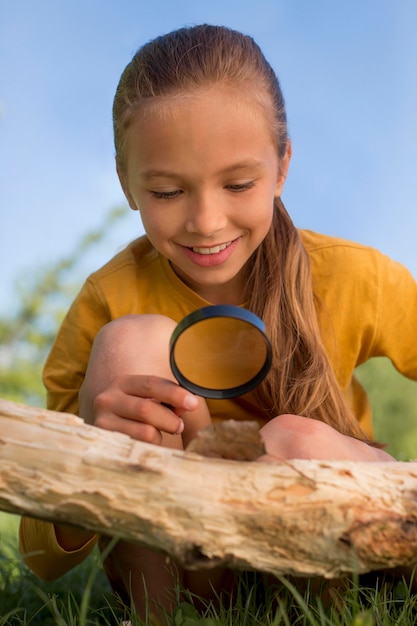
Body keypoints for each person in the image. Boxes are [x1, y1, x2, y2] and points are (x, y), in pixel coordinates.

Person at [19, 24, 417, 619]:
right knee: (130, 343)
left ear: (282, 167)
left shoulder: (353, 276)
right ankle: (163, 618)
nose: (206, 222)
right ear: (128, 183)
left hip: (330, 553)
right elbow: (43, 557)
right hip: (192, 573)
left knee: (295, 437)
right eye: (167, 191)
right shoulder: (110, 296)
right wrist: (94, 444)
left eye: (238, 184)